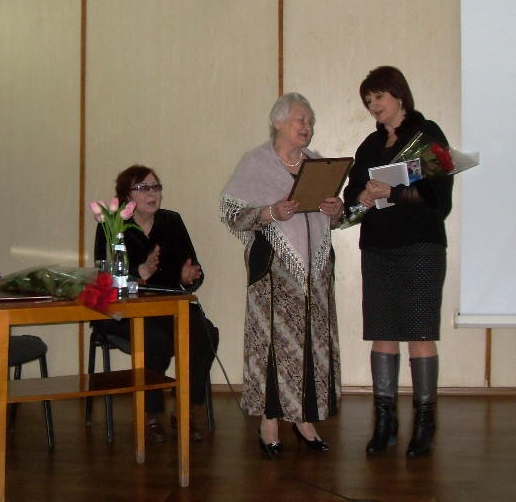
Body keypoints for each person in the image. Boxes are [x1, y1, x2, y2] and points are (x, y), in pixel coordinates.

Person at [220, 92, 343, 456]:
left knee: (311, 345)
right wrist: (271, 212)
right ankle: (269, 423)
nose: (308, 127)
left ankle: (304, 420)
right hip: (273, 273)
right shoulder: (256, 163)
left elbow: (337, 221)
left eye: (311, 122)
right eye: (301, 120)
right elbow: (232, 214)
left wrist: (337, 210)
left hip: (315, 275)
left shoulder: (318, 164)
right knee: (274, 347)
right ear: (278, 122)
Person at [342, 66, 453, 458]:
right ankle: (385, 422)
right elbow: (352, 193)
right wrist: (362, 197)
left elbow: (439, 201)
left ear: (398, 95)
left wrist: (394, 191)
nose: (374, 105)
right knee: (382, 331)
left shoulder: (428, 134)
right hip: (377, 247)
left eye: (379, 97)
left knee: (420, 333)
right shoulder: (370, 145)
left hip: (420, 246)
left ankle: (425, 424)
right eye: (368, 101)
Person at [94, 166, 219, 443]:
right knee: (154, 339)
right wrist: (141, 272)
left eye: (156, 187)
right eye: (143, 188)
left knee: (206, 334)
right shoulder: (111, 225)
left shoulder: (172, 221)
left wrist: (188, 277)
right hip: (125, 311)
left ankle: (184, 408)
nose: (152, 194)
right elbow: (105, 279)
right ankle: (150, 414)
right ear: (127, 196)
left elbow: (193, 270)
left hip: (167, 306)